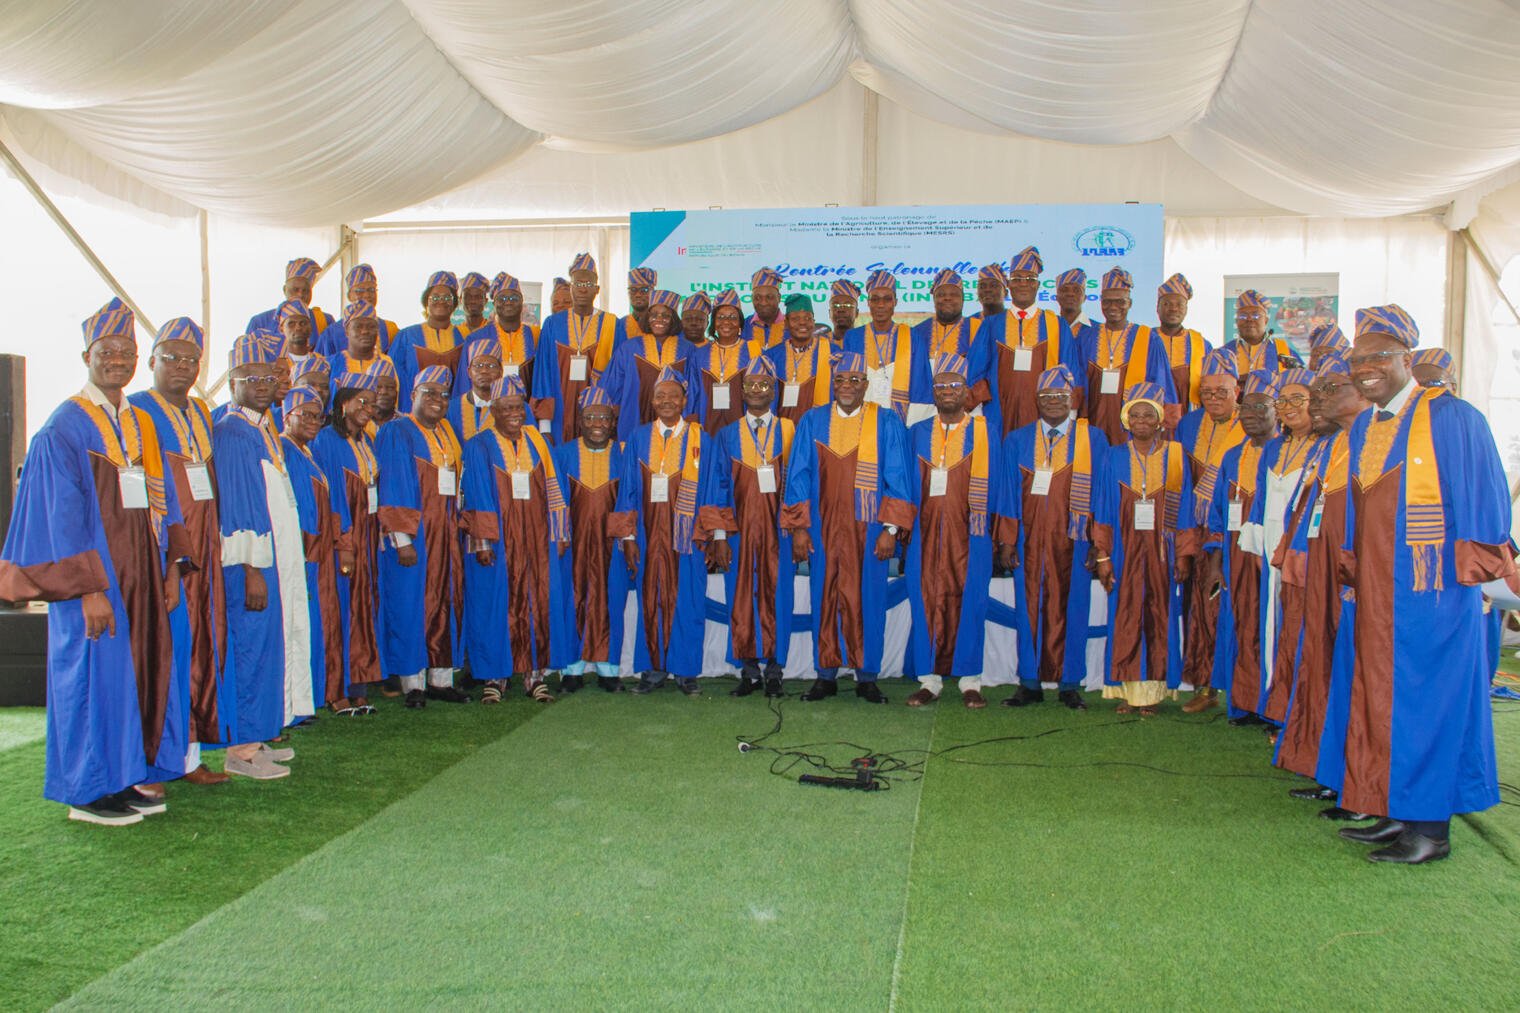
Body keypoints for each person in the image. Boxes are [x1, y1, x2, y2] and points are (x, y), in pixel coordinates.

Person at [1333, 306, 1513, 863]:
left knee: (1426, 699)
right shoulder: (1367, 424)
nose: (1366, 368)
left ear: (1406, 359)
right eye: (1358, 359)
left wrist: (1473, 576)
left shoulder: (1454, 417)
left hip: (1430, 589)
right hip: (1381, 590)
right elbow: (1362, 511)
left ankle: (1430, 828)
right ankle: (1396, 808)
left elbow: (1485, 499)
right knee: (1382, 697)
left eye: (1379, 357)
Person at [0, 299, 188, 824]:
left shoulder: (139, 423)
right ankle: (85, 791)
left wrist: (172, 566)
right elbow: (59, 519)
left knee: (126, 678)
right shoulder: (64, 428)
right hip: (96, 582)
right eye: (107, 350)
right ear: (87, 354)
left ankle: (121, 774)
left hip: (141, 577)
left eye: (127, 351)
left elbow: (165, 498)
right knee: (88, 676)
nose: (118, 359)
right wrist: (87, 589)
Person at [128, 317, 230, 785]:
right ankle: (147, 760)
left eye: (192, 360)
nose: (183, 367)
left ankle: (187, 757)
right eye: (172, 357)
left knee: (198, 649)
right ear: (151, 360)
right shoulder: (135, 413)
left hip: (204, 551)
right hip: (161, 553)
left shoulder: (201, 413)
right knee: (159, 654)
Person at [782, 351, 915, 703]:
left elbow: (898, 477)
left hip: (869, 527)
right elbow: (798, 476)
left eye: (855, 380)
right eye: (840, 380)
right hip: (823, 527)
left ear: (867, 385)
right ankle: (825, 673)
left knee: (868, 598)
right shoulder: (812, 421)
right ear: (832, 383)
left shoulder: (885, 421)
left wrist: (890, 529)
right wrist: (799, 528)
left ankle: (866, 674)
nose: (847, 386)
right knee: (822, 595)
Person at [214, 332, 313, 778]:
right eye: (248, 376)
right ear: (232, 381)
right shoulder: (233, 432)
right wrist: (251, 568)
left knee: (268, 643)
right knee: (249, 645)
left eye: (269, 374)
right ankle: (241, 751)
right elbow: (238, 507)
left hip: (275, 558)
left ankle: (259, 734)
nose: (261, 383)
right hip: (250, 564)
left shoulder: (264, 427)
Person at [1271, 353, 1366, 806]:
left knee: (1347, 671)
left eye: (1329, 391)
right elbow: (1311, 510)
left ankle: (1356, 782)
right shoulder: (1333, 445)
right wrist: (1294, 550)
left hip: (1352, 579)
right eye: (1318, 392)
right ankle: (1329, 769)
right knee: (1321, 665)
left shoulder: (1372, 440)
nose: (1319, 401)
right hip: (1320, 572)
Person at [997, 364, 1108, 709]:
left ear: (1073, 398)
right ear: (1036, 400)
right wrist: (1007, 540)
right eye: (1046, 395)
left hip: (1073, 540)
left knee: (1073, 607)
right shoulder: (1017, 439)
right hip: (1028, 540)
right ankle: (1029, 682)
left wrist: (1097, 543)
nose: (1054, 402)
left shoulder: (1093, 438)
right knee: (1027, 607)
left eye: (1061, 395)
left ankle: (1069, 682)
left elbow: (1102, 496)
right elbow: (1007, 493)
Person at [461, 376, 573, 704]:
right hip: (498, 541)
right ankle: (495, 678)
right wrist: (482, 542)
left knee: (537, 602)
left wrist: (561, 532)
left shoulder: (538, 440)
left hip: (538, 539)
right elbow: (477, 497)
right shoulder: (479, 444)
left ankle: (535, 676)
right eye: (506, 407)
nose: (514, 412)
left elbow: (554, 487)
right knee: (495, 605)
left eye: (518, 406)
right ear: (493, 409)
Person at [1092, 382, 1198, 714]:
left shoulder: (1176, 455)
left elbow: (1185, 509)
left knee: (1158, 614)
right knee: (1122, 615)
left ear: (1160, 420)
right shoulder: (1113, 456)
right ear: (1126, 419)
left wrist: (1183, 554)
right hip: (1124, 548)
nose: (1141, 421)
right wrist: (1103, 555)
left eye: (1148, 415)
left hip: (1162, 551)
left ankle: (1152, 693)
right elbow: (1104, 508)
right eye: (1134, 414)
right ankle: (1126, 691)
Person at [902, 353, 998, 709]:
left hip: (971, 534)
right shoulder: (917, 433)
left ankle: (970, 681)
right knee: (924, 599)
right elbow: (901, 485)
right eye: (940, 386)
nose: (947, 392)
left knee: (971, 601)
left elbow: (1001, 488)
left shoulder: (986, 433)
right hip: (923, 534)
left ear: (966, 391)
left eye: (954, 385)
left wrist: (1002, 536)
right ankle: (929, 681)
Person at [609, 367, 711, 696]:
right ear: (652, 402)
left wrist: (712, 534)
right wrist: (627, 537)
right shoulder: (638, 437)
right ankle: (653, 669)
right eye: (660, 396)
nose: (667, 401)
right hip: (648, 531)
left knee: (688, 601)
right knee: (650, 598)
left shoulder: (701, 439)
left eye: (673, 396)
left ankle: (685, 671)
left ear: (685, 400)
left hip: (687, 536)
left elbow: (713, 489)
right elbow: (626, 491)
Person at [699, 356, 796, 698]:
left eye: (765, 385)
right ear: (742, 391)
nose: (757, 390)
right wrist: (721, 536)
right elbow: (717, 485)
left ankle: (774, 669)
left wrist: (797, 529)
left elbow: (798, 483)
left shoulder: (789, 430)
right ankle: (748, 669)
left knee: (777, 595)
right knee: (741, 597)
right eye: (752, 385)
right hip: (738, 531)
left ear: (775, 391)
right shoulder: (727, 435)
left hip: (778, 531)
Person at [375, 366, 468, 708]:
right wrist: (402, 539)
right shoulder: (397, 431)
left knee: (445, 600)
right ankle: (412, 682)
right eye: (429, 393)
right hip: (415, 535)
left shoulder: (448, 431)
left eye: (444, 395)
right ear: (411, 396)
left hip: (446, 533)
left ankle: (441, 679)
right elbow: (394, 486)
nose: (437, 400)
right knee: (410, 604)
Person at [1240, 366, 1317, 726]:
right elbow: (1259, 497)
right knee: (1271, 622)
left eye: (1297, 399)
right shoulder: (1274, 447)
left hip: (1303, 547)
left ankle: (1298, 713)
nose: (1288, 407)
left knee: (1299, 626)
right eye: (1282, 400)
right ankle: (1275, 705)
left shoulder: (1326, 446)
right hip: (1270, 543)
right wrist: (1256, 547)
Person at [1173, 350, 1244, 713]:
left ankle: (1244, 689)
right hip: (1198, 530)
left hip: (1239, 532)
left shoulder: (1252, 425)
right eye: (1208, 393)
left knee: (1241, 608)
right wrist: (1185, 541)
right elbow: (1182, 483)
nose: (1214, 399)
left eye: (1222, 392)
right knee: (1199, 607)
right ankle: (1204, 684)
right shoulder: (1187, 425)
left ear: (1238, 391)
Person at [1207, 371, 1278, 721]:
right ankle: (1244, 702)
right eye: (1245, 407)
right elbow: (1220, 510)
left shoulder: (1286, 452)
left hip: (1272, 553)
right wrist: (1216, 560)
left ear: (1276, 410)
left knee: (1270, 622)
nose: (1250, 413)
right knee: (1241, 622)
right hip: (1236, 552)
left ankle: (1273, 705)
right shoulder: (1232, 456)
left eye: (1260, 407)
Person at [311, 372, 384, 711]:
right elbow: (334, 498)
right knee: (339, 609)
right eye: (361, 401)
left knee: (361, 608)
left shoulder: (365, 440)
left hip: (366, 536)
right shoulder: (327, 440)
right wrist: (344, 544)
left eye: (371, 402)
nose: (368, 408)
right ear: (342, 404)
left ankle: (357, 681)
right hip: (344, 538)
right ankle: (335, 690)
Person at [553, 388, 629, 693]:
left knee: (611, 599)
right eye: (590, 416)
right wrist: (560, 537)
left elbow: (630, 498)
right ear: (580, 421)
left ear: (612, 422)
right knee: (573, 596)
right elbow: (555, 500)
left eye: (603, 416)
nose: (597, 421)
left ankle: (608, 667)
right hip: (573, 542)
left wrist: (628, 537)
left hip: (614, 543)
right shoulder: (562, 454)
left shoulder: (624, 453)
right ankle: (572, 668)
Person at [280, 386, 351, 714]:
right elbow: (300, 508)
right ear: (286, 416)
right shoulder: (286, 450)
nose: (312, 421)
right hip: (305, 553)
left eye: (317, 416)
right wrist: (309, 550)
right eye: (304, 414)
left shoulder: (307, 452)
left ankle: (318, 692)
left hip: (317, 552)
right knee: (302, 625)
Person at [974, 246, 1085, 438]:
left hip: (1045, 413)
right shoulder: (991, 325)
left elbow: (1071, 372)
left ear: (1038, 285)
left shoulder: (1057, 325)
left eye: (1030, 279)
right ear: (1009, 285)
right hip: (998, 414)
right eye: (1017, 279)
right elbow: (976, 370)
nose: (1023, 284)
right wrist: (978, 413)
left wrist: (1068, 417)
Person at [1080, 267, 1177, 442]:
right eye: (1107, 301)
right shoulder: (1086, 337)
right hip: (1093, 422)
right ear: (1100, 301)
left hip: (1135, 429)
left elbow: (1163, 387)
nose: (1113, 307)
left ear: (1130, 303)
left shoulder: (1148, 339)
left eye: (1120, 302)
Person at [532, 252, 618, 442]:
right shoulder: (552, 324)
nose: (582, 289)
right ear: (571, 288)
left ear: (597, 289)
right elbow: (542, 375)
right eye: (578, 284)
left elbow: (616, 379)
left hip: (597, 417)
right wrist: (544, 425)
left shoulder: (612, 325)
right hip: (558, 416)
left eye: (588, 285)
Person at [598, 288, 697, 441]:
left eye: (665, 315)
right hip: (634, 419)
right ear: (647, 317)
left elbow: (694, 389)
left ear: (674, 319)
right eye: (654, 314)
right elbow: (612, 386)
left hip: (675, 420)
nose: (659, 319)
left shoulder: (687, 349)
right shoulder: (628, 348)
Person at [908, 269, 982, 426]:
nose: (947, 298)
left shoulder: (978, 329)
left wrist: (962, 403)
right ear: (934, 299)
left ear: (963, 299)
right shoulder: (918, 332)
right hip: (925, 408)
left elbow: (984, 373)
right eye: (941, 295)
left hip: (966, 408)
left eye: (954, 294)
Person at [391, 271, 469, 412]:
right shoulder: (406, 336)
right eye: (435, 297)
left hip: (451, 414)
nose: (441, 301)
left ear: (454, 304)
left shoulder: (464, 339)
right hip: (412, 412)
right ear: (426, 301)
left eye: (447, 297)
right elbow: (394, 378)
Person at [843, 269, 913, 421]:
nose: (880, 304)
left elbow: (920, 387)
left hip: (901, 422)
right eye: (875, 299)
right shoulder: (852, 338)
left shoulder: (912, 337)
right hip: (860, 421)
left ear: (895, 302)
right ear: (868, 303)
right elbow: (845, 385)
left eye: (887, 299)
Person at [460, 272, 536, 395]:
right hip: (487, 408)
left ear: (522, 302)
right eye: (502, 298)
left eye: (514, 298)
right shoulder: (476, 338)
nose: (508, 302)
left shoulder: (533, 335)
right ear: (494, 304)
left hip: (523, 408)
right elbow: (464, 383)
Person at [762, 294, 834, 424]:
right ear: (786, 323)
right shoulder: (772, 356)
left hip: (818, 428)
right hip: (782, 430)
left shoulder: (831, 352)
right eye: (795, 318)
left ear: (813, 321)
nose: (802, 322)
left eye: (808, 318)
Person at [691, 288, 755, 434]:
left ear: (740, 323)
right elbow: (693, 393)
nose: (726, 322)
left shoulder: (753, 351)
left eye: (732, 317)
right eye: (720, 317)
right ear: (713, 322)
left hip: (742, 425)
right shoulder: (699, 354)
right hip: (706, 425)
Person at [1154, 273, 1212, 415]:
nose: (1173, 309)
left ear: (1186, 309)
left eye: (1179, 304)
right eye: (1167, 304)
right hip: (1151, 415)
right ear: (1157, 308)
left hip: (1189, 416)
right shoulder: (1144, 339)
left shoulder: (1202, 345)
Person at [315, 264, 400, 355]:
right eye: (359, 291)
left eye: (371, 290)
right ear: (349, 296)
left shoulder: (389, 329)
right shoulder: (331, 333)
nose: (367, 295)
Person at [324, 300, 395, 400]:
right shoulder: (330, 364)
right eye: (358, 327)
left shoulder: (387, 362)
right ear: (347, 331)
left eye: (371, 327)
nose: (365, 331)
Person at [1222, 290, 1300, 377]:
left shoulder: (1284, 351)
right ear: (1236, 321)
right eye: (1243, 316)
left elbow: (1300, 381)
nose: (1249, 319)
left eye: (1256, 315)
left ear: (1266, 320)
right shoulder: (1224, 353)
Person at [246, 257, 330, 337]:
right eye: (295, 290)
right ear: (284, 290)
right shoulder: (260, 322)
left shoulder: (324, 321)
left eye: (306, 290)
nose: (300, 295)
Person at [449, 337, 504, 443]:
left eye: (491, 366)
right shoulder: (451, 408)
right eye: (478, 366)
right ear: (469, 372)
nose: (484, 371)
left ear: (501, 372)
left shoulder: (515, 408)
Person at [1054, 267, 1098, 349]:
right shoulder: (1048, 328)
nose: (1070, 294)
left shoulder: (1098, 330)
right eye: (1065, 290)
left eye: (1077, 290)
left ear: (1084, 298)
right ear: (1057, 298)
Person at [278, 299, 321, 382]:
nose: (298, 328)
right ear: (281, 329)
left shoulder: (321, 361)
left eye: (303, 323)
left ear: (311, 327)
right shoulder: (277, 364)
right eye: (291, 324)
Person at [744, 267, 786, 349]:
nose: (763, 302)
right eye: (758, 297)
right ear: (752, 299)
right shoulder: (743, 326)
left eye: (769, 297)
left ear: (779, 298)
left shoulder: (791, 326)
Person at [619, 267, 657, 342]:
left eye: (644, 290)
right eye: (633, 290)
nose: (638, 295)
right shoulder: (619, 325)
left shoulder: (662, 324)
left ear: (653, 292)